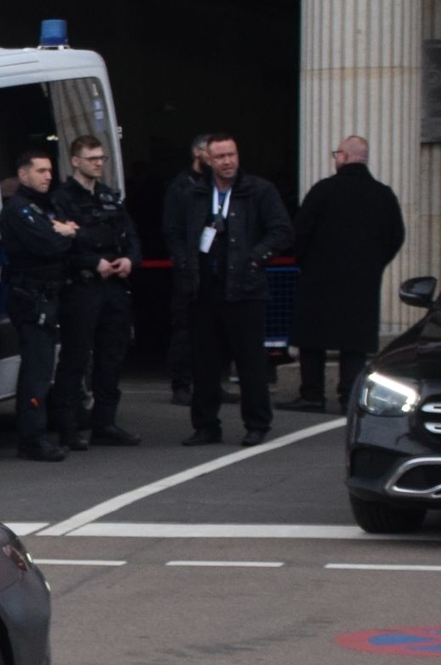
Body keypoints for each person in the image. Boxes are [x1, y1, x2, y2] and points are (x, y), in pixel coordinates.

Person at [163, 134, 293, 447]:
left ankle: (257, 423)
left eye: (231, 154)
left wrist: (255, 257)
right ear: (208, 159)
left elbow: (282, 231)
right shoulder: (194, 193)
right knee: (204, 362)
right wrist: (184, 261)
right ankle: (206, 424)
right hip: (203, 288)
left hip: (245, 288)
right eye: (220, 156)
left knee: (250, 362)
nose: (227, 161)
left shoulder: (258, 190)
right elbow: (174, 231)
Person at [289, 135, 406, 411]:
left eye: (336, 154)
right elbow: (395, 236)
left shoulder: (323, 191)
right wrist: (375, 263)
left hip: (319, 278)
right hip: (362, 280)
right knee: (354, 343)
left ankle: (312, 394)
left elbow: (300, 232)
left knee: (312, 339)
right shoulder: (383, 194)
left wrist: (304, 262)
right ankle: (349, 397)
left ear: (343, 156)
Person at [47, 134, 142, 449]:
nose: (99, 163)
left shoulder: (109, 196)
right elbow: (63, 244)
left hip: (114, 285)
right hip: (83, 285)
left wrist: (129, 259)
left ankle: (106, 422)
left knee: (111, 356)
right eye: (93, 158)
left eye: (102, 158)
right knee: (75, 356)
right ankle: (68, 426)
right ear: (76, 161)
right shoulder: (62, 198)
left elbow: (130, 235)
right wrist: (94, 261)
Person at [0, 145, 80, 462]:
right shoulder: (19, 210)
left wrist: (64, 231)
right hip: (31, 297)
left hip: (47, 296)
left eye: (49, 170)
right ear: (23, 174)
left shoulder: (38, 208)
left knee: (43, 369)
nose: (49, 176)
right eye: (41, 171)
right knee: (36, 371)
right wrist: (65, 233)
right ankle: (32, 438)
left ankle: (39, 432)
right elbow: (49, 245)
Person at [158, 134, 212, 404]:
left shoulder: (217, 185)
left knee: (213, 326)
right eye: (209, 151)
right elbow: (172, 228)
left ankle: (210, 382)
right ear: (196, 152)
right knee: (184, 327)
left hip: (212, 266)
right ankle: (181, 384)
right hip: (188, 267)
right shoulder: (181, 186)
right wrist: (183, 260)